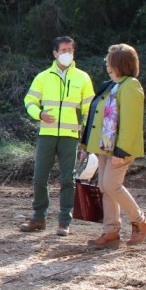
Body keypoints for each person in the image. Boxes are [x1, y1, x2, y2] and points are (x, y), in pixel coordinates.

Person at [19, 37, 95, 236]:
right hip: (47, 134)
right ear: (55, 53)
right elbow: (29, 101)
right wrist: (39, 114)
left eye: (70, 49)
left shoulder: (83, 78)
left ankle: (64, 222)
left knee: (67, 179)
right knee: (39, 178)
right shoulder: (43, 77)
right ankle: (38, 218)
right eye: (63, 50)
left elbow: (90, 110)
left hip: (70, 136)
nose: (67, 53)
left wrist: (87, 138)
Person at [80, 43, 146, 247]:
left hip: (120, 149)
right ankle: (111, 233)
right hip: (104, 147)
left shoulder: (131, 86)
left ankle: (140, 223)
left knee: (111, 185)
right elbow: (95, 117)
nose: (107, 66)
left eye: (110, 62)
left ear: (120, 64)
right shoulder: (111, 85)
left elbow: (131, 122)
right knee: (105, 187)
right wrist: (86, 145)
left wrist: (121, 150)